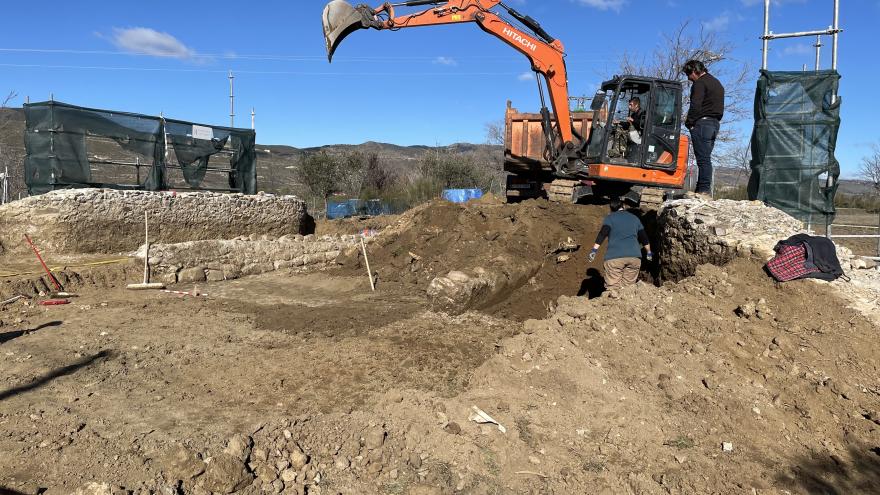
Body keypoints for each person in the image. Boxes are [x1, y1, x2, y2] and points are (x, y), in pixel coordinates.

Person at [587, 198, 653, 290]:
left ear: (611, 209)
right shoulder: (635, 218)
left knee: (613, 289)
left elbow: (602, 234)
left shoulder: (610, 218)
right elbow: (644, 238)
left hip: (614, 258)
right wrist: (649, 252)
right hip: (634, 258)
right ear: (624, 206)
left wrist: (594, 250)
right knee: (627, 289)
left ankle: (613, 302)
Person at [682, 59, 724, 196]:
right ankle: (700, 189)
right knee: (706, 157)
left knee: (703, 159)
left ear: (694, 70)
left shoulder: (699, 83)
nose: (688, 78)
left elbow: (695, 105)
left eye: (689, 74)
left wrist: (690, 123)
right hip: (714, 124)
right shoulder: (717, 83)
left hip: (702, 124)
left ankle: (704, 190)